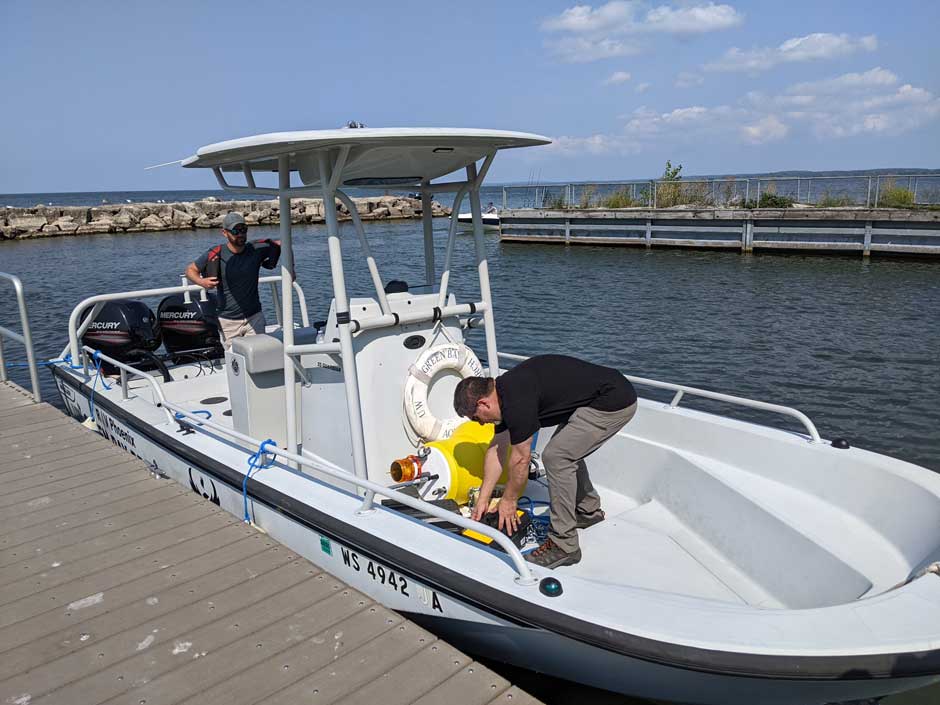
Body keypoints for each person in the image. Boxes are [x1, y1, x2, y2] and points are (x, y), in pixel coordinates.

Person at [453, 355, 637, 568]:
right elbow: (497, 449)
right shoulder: (503, 392)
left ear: (483, 403)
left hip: (612, 401)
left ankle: (564, 545)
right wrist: (483, 499)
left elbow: (521, 459)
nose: (481, 424)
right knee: (565, 450)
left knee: (557, 456)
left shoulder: (516, 400)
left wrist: (509, 501)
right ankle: (589, 512)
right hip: (595, 397)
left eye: (476, 418)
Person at [185, 212, 281, 349]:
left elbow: (282, 244)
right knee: (235, 363)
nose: (240, 234)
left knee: (259, 359)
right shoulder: (216, 253)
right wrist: (202, 282)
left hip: (254, 317)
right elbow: (190, 270)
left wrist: (292, 270)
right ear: (224, 233)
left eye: (244, 230)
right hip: (227, 321)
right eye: (235, 231)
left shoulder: (256, 249)